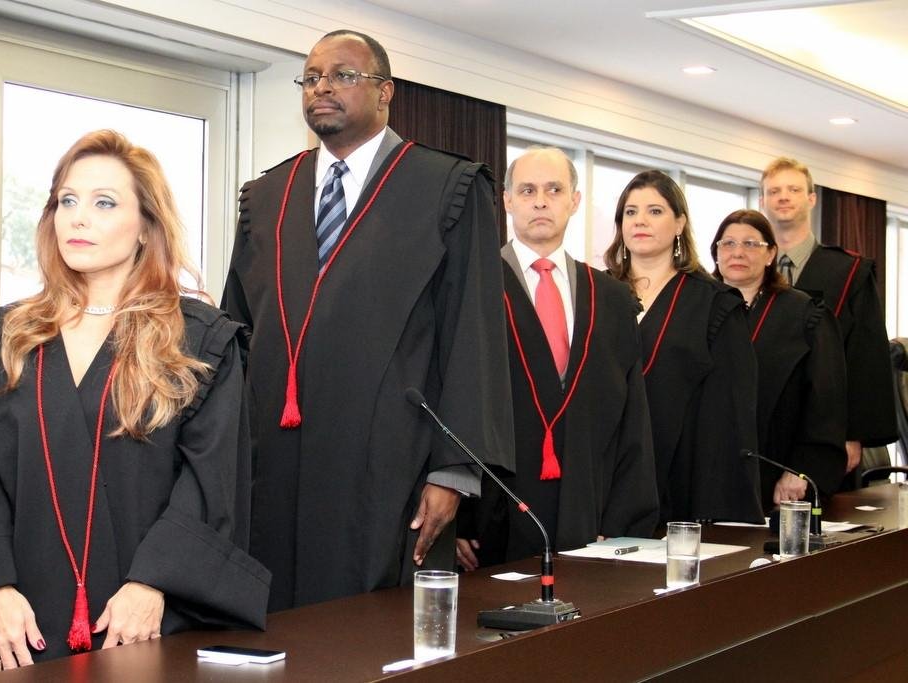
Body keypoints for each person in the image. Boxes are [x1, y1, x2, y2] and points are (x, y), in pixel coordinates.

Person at [0, 130, 269, 675]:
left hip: (147, 623)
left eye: (104, 203)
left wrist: (154, 583)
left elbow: (212, 480)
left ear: (146, 226)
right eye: (67, 201)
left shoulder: (198, 345)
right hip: (20, 627)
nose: (78, 218)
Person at [222, 30, 512, 611]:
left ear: (386, 92)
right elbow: (240, 328)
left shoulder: (446, 187)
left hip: (391, 465)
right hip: (275, 464)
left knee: (371, 631)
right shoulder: (267, 195)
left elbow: (473, 336)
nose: (322, 87)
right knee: (277, 624)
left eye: (343, 75)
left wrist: (453, 472)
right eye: (311, 78)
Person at [455, 148, 657, 569]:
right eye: (527, 190)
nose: (541, 202)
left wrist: (621, 519)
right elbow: (451, 401)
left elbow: (631, 420)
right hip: (493, 516)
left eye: (554, 190)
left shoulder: (610, 298)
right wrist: (458, 518)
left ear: (574, 201)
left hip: (590, 512)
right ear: (507, 200)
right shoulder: (472, 285)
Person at [604, 170, 761, 524]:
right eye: (631, 212)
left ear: (679, 223)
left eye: (655, 211)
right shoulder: (596, 295)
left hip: (682, 482)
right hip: (605, 473)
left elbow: (729, 418)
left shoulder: (715, 304)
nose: (640, 220)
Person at [760, 158, 897, 480]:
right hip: (761, 428)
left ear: (811, 198)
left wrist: (854, 434)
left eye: (793, 189)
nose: (783, 197)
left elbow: (865, 356)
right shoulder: (746, 271)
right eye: (774, 191)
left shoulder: (848, 271)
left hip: (825, 430)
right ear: (762, 201)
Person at [710, 209, 847, 510]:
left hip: (776, 473)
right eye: (728, 243)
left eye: (750, 244)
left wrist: (802, 469)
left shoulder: (803, 314)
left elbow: (825, 402)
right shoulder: (696, 309)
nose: (737, 252)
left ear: (771, 254)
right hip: (706, 472)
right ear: (716, 254)